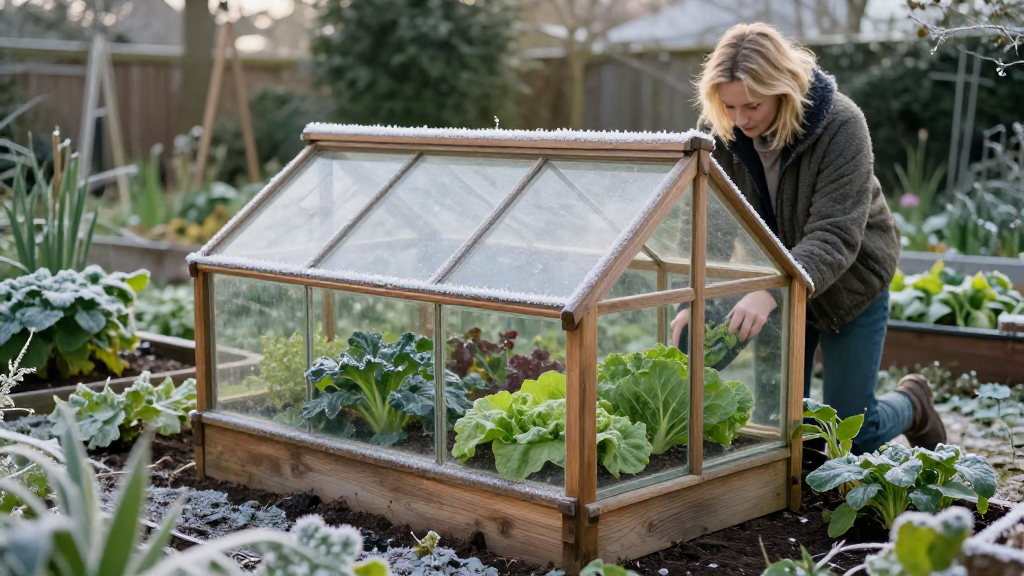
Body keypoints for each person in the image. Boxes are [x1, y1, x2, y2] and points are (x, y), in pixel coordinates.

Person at [672, 22, 946, 454]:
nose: (740, 119)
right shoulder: (722, 130)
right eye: (729, 106)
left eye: (753, 106)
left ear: (782, 90)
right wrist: (692, 300)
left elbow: (836, 235)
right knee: (778, 426)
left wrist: (769, 290)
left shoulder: (841, 125)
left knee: (850, 437)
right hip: (779, 290)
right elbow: (705, 225)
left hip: (850, 283)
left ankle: (913, 404)